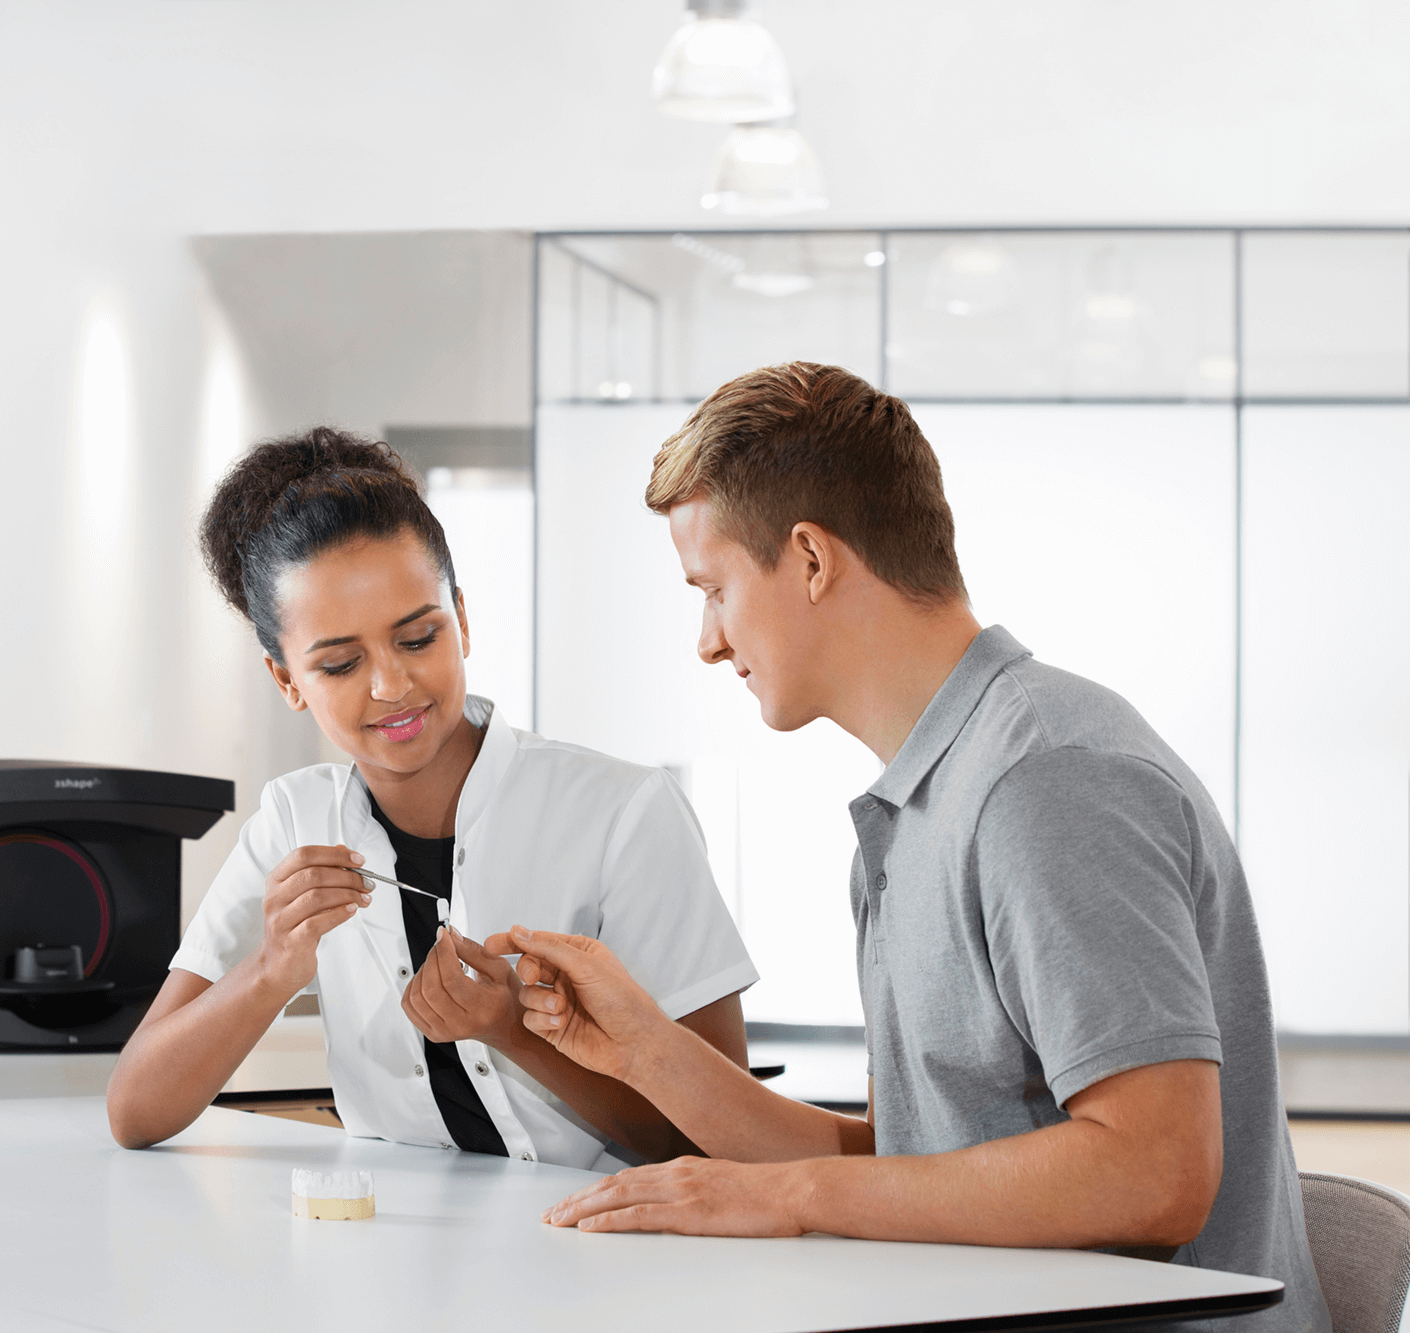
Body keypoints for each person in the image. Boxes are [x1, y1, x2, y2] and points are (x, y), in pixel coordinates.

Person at [494, 363, 1327, 1331]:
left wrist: (787, 1197)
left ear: (810, 559)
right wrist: (646, 1050)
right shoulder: (914, 809)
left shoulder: (1044, 779)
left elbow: (1154, 1172)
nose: (707, 641)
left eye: (714, 589)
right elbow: (910, 1174)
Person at [105, 427, 758, 1169]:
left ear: (463, 621)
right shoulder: (293, 821)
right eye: (340, 664)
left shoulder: (624, 812)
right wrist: (271, 971)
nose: (391, 685)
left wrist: (513, 1031)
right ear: (287, 680)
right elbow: (136, 1109)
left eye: (418, 638)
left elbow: (725, 1138)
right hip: (386, 1234)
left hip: (602, 1234)